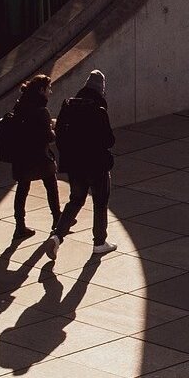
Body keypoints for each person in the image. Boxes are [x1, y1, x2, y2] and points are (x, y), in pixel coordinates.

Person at [46, 70, 117, 258]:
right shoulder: (98, 111)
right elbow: (109, 140)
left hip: (74, 164)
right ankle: (99, 242)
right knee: (100, 202)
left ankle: (57, 237)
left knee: (76, 200)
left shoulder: (68, 105)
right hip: (96, 165)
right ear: (101, 90)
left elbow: (59, 133)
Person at [10, 75, 61, 241]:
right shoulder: (42, 111)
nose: (50, 92)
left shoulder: (20, 106)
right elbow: (48, 137)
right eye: (49, 88)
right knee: (51, 186)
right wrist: (53, 128)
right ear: (41, 90)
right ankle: (57, 221)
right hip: (40, 157)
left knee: (22, 190)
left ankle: (19, 226)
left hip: (21, 156)